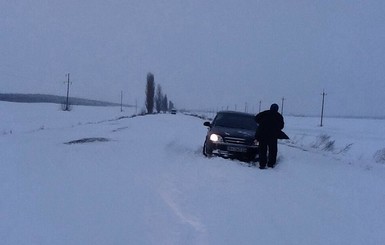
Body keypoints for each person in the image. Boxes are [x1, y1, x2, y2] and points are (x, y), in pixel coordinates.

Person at [255, 103, 284, 169]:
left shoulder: (265, 113)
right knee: (273, 151)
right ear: (277, 109)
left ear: (270, 107)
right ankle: (271, 164)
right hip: (273, 136)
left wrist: (262, 124)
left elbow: (256, 118)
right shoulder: (278, 116)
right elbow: (281, 126)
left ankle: (262, 164)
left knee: (262, 150)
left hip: (263, 135)